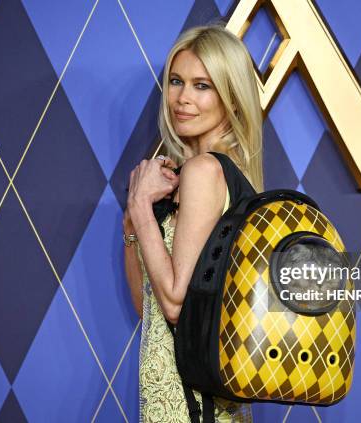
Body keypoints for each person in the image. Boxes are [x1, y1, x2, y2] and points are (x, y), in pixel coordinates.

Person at [122, 24, 263, 422]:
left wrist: (138, 205)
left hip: (193, 405)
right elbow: (148, 310)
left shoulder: (204, 171)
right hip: (172, 394)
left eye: (203, 86)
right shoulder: (198, 175)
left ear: (232, 99)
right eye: (177, 81)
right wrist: (135, 228)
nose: (183, 98)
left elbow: (173, 303)